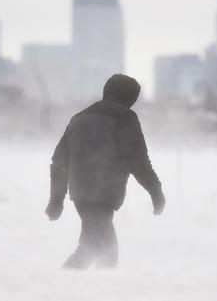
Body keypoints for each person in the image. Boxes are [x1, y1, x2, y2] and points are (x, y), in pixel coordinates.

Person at [45, 74, 166, 269]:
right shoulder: (125, 117)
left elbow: (59, 161)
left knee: (93, 248)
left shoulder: (78, 118)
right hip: (103, 195)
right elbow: (139, 161)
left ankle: (74, 288)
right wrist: (156, 191)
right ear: (129, 97)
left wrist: (56, 199)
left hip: (81, 196)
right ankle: (65, 288)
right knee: (104, 253)